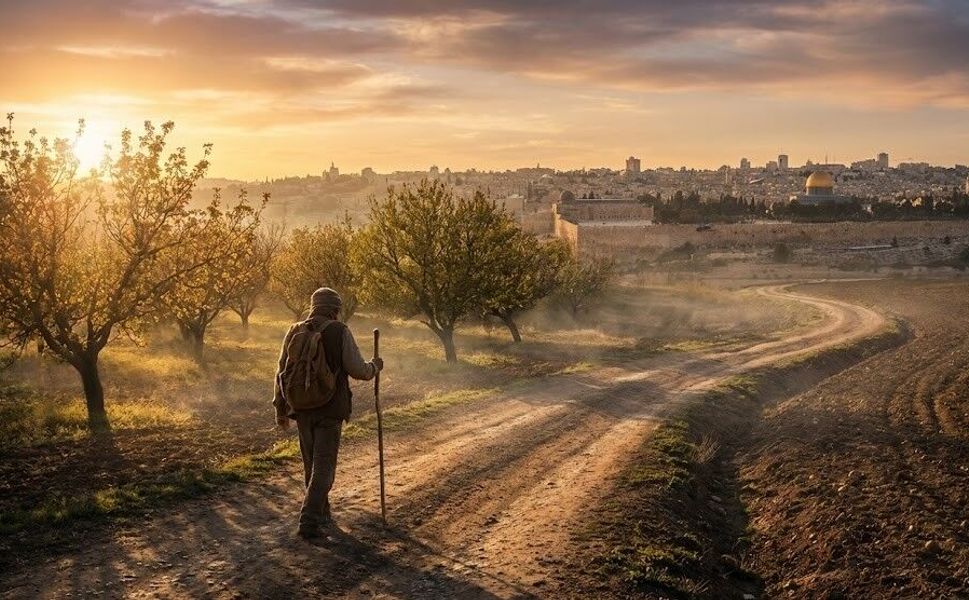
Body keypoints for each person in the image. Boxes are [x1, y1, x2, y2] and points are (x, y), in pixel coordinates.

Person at [272, 287, 383, 539]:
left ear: (313, 306)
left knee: (311, 465)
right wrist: (375, 367)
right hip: (330, 409)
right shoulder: (339, 330)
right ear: (335, 310)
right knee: (324, 467)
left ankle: (323, 513)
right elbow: (358, 370)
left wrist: (280, 407)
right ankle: (309, 519)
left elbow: (280, 372)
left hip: (300, 407)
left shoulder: (294, 330)